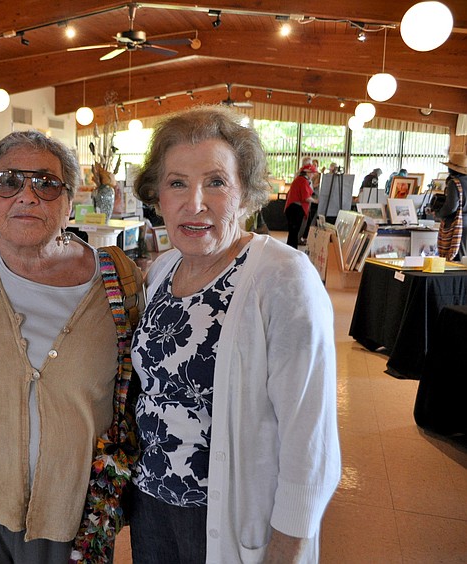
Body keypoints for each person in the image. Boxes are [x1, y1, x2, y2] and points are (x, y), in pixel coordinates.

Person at [129, 106, 340, 563]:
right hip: (151, 507)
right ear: (157, 195)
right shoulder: (162, 270)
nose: (195, 202)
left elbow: (311, 438)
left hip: (229, 517)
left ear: (246, 194)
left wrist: (288, 547)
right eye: (177, 182)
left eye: (216, 182)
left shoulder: (283, 278)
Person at [0, 129, 138, 563]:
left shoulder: (118, 278)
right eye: (8, 181)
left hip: (72, 508)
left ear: (69, 201)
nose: (27, 195)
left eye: (46, 182)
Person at [435, 152, 467, 261]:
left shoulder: (455, 183)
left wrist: (439, 214)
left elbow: (451, 207)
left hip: (457, 225)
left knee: (454, 260)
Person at [284, 168, 317, 248]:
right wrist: (316, 201)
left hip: (293, 208)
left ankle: (290, 249)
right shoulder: (302, 181)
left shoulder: (300, 179)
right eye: (312, 173)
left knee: (293, 232)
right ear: (307, 172)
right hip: (295, 208)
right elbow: (306, 197)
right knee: (294, 232)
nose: (313, 175)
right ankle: (292, 249)